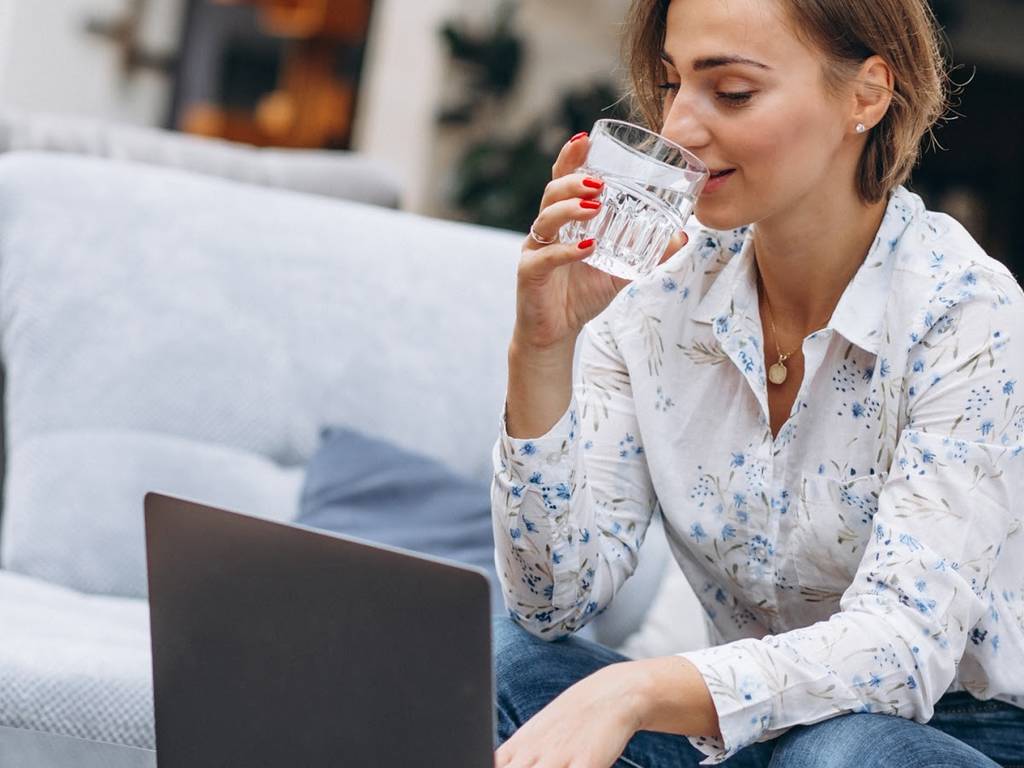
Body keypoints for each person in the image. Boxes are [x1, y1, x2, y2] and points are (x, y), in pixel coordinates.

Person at [490, 0, 1024, 766]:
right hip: (746, 737)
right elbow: (553, 601)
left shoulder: (965, 313)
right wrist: (543, 348)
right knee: (508, 660)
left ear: (866, 96)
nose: (678, 129)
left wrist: (630, 693)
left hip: (946, 737)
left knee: (842, 754)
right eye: (672, 84)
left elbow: (901, 650)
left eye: (732, 92)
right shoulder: (652, 290)